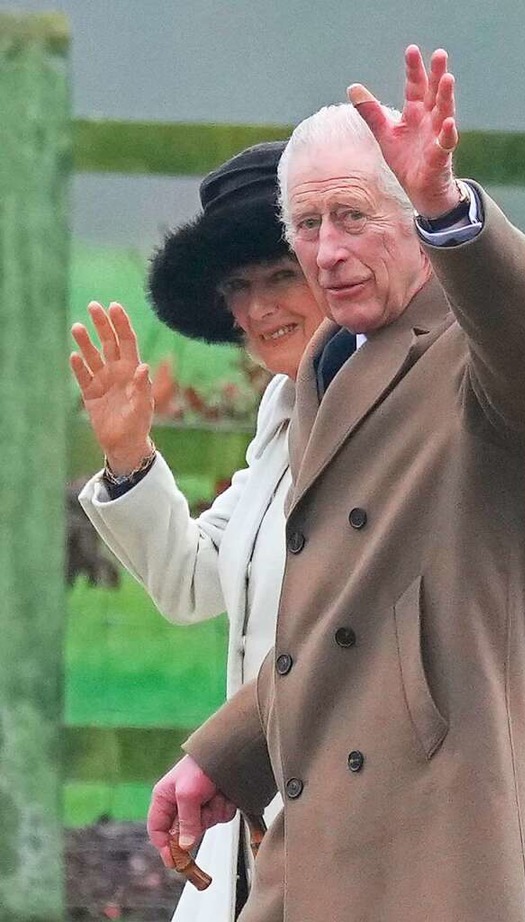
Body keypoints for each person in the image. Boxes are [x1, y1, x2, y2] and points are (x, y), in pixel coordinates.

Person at [147, 45, 525, 922]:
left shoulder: (478, 348)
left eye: (352, 217)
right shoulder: (326, 364)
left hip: (440, 849)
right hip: (313, 843)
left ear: (407, 217)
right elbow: (341, 616)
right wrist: (223, 757)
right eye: (307, 227)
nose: (328, 253)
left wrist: (448, 209)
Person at [69, 141, 325, 922]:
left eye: (280, 275)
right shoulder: (281, 415)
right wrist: (128, 456)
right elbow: (194, 581)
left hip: (348, 825)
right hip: (242, 825)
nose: (256, 308)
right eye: (237, 287)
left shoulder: (396, 413)